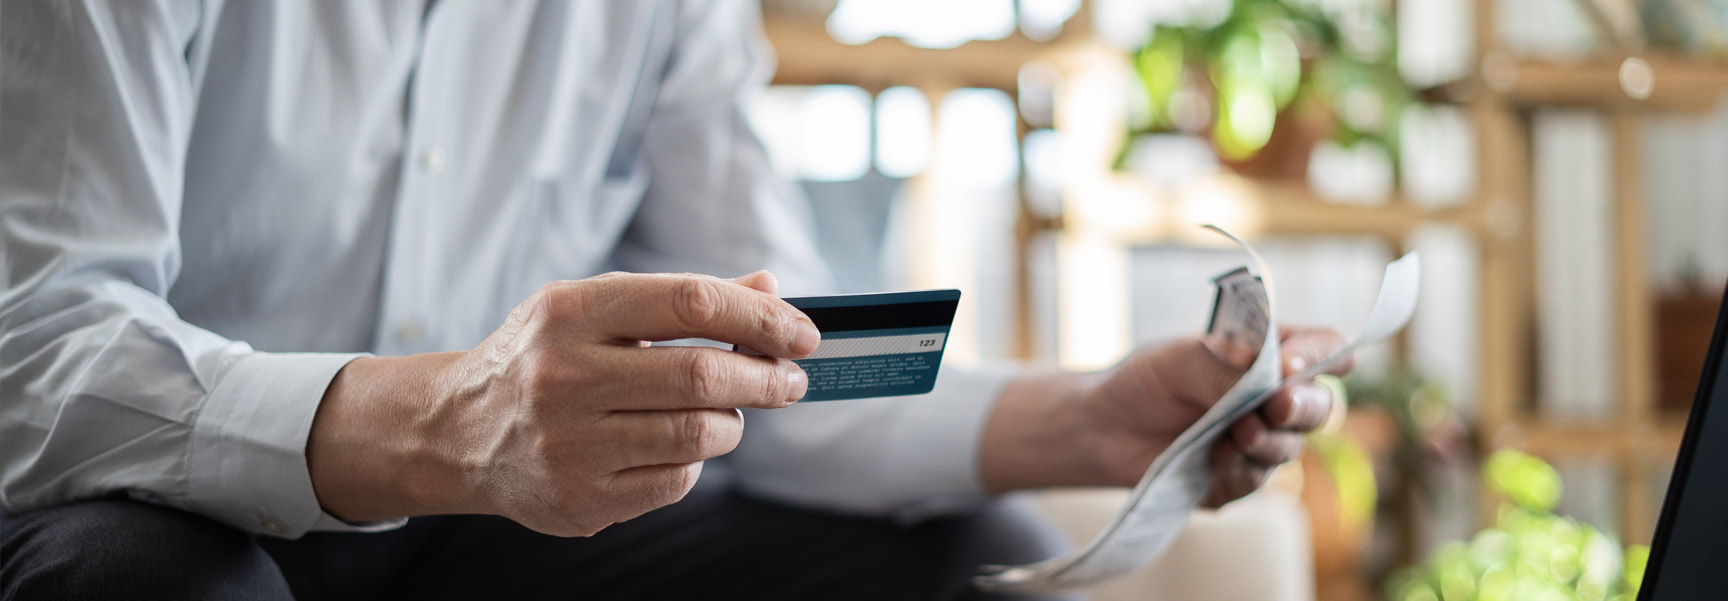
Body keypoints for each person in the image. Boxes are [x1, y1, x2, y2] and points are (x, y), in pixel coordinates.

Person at [0, 1, 1349, 599]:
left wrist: (1087, 418)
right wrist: (434, 420)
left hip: (489, 531)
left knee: (961, 562)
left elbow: (777, 349)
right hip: (158, 511)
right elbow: (43, 345)